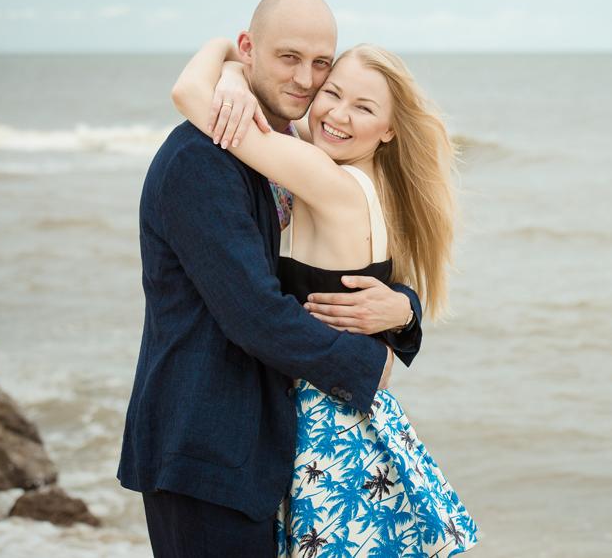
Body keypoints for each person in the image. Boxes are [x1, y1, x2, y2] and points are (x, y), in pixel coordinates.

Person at [118, 0, 422, 557]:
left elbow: (320, 272)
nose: (306, 80)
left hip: (256, 449)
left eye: (320, 64)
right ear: (250, 48)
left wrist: (404, 308)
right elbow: (256, 313)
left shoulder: (280, 145)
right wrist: (369, 362)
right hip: (203, 450)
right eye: (288, 58)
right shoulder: (201, 159)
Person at [170, 28, 478, 553]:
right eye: (331, 93)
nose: (337, 115)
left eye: (363, 107)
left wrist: (222, 53)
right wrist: (235, 76)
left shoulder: (329, 181)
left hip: (329, 432)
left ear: (388, 130)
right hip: (344, 415)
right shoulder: (353, 175)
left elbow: (187, 96)